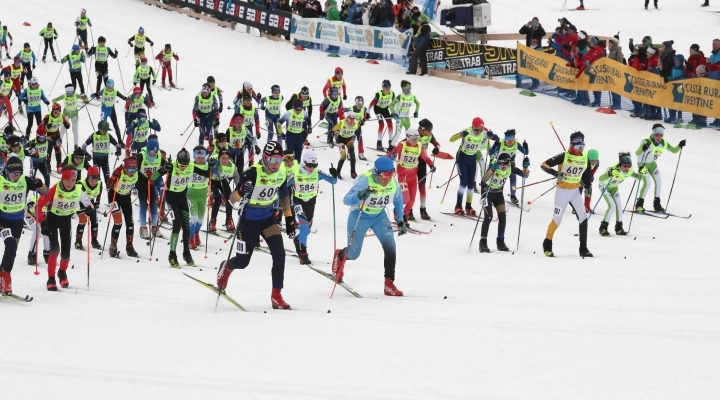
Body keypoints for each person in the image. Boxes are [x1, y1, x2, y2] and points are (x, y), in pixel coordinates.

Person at [216, 141, 297, 309]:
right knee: (242, 262)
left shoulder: (281, 174)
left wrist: (289, 218)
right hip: (248, 221)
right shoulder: (252, 173)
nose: (276, 164)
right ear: (265, 158)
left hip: (267, 219)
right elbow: (231, 200)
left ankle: (276, 294)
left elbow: (284, 197)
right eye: (273, 160)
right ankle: (227, 267)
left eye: (279, 160)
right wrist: (240, 192)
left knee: (279, 254)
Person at [331, 156, 406, 296]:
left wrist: (401, 220)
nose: (387, 179)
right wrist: (359, 196)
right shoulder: (365, 180)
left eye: (391, 175)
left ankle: (389, 284)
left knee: (391, 247)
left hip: (379, 216)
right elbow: (346, 200)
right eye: (384, 176)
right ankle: (340, 255)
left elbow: (398, 200)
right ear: (376, 173)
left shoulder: (392, 183)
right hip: (360, 215)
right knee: (353, 254)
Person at [36, 165, 95, 291]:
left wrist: (90, 208)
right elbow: (38, 206)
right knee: (55, 250)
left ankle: (62, 273)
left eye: (73, 180)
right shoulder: (55, 188)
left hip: (66, 220)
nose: (70, 183)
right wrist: (42, 222)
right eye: (67, 179)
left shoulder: (78, 189)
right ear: (62, 178)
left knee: (66, 254)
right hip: (52, 219)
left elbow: (88, 202)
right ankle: (51, 278)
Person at [155, 148, 212, 267]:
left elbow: (206, 174)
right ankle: (172, 255)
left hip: (182, 198)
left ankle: (187, 254)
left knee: (186, 227)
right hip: (171, 198)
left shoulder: (190, 166)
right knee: (177, 224)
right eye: (181, 165)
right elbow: (153, 177)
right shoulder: (172, 166)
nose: (183, 168)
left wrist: (210, 167)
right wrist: (164, 168)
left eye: (185, 166)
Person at [540, 131, 593, 258]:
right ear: (571, 146)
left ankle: (583, 248)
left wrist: (587, 187)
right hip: (562, 192)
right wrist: (555, 174)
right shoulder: (563, 156)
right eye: (578, 147)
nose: (580, 150)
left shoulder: (585, 157)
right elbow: (544, 164)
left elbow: (587, 176)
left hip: (575, 192)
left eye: (582, 147)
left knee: (583, 217)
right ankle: (547, 244)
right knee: (557, 220)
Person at [0, 157, 47, 294]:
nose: (15, 176)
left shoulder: (25, 180)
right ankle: (6, 278)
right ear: (6, 171)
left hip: (18, 220)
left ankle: (3, 275)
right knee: (11, 245)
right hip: (3, 220)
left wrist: (40, 185)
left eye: (18, 173)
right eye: (12, 173)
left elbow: (45, 192)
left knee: (12, 251)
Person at [288, 150, 337, 264]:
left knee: (308, 227)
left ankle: (298, 240)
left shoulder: (317, 172)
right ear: (304, 163)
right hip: (298, 202)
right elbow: (284, 185)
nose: (311, 168)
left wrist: (335, 173)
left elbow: (333, 181)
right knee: (304, 225)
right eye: (309, 165)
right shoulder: (296, 173)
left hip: (311, 202)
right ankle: (303, 253)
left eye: (314, 165)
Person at [478, 153, 529, 252]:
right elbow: (484, 179)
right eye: (501, 164)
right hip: (487, 193)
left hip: (498, 194)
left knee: (502, 216)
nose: (504, 166)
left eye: (506, 164)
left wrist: (525, 167)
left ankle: (500, 241)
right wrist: (492, 170)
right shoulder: (494, 166)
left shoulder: (510, 168)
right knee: (489, 216)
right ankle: (483, 242)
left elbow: (525, 175)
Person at [633, 124, 685, 213]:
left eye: (661, 135)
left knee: (659, 182)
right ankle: (639, 204)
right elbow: (637, 153)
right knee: (647, 183)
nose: (659, 137)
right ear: (653, 134)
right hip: (642, 164)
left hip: (652, 164)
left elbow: (673, 150)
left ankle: (657, 204)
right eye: (657, 135)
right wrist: (642, 148)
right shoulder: (646, 142)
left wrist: (680, 145)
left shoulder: (663, 142)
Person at [598, 152, 645, 236]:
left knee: (619, 207)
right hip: (604, 187)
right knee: (612, 206)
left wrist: (643, 173)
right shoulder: (612, 169)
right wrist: (610, 174)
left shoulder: (629, 171)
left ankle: (619, 228)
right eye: (625, 166)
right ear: (620, 165)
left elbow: (638, 177)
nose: (627, 168)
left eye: (629, 166)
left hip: (614, 188)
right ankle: (603, 227)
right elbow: (600, 179)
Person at [449, 118, 487, 215]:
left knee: (471, 184)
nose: (478, 132)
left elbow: (495, 139)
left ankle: (468, 206)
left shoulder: (483, 133)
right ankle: (458, 206)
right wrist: (460, 135)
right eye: (476, 130)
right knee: (463, 182)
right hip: (462, 157)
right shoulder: (467, 130)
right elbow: (451, 139)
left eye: (480, 130)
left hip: (472, 158)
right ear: (472, 127)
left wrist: (492, 136)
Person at [105, 156, 140, 258]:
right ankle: (113, 245)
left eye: (134, 170)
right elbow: (108, 185)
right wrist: (114, 176)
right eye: (129, 169)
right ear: (125, 168)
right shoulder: (119, 172)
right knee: (118, 221)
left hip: (126, 197)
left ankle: (129, 246)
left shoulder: (136, 173)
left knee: (130, 223)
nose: (132, 172)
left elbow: (146, 179)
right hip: (114, 196)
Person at [489, 129, 529, 205]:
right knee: (499, 179)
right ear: (505, 140)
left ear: (514, 139)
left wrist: (526, 147)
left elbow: (526, 152)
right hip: (498, 165)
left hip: (509, 164)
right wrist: (494, 145)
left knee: (513, 177)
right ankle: (493, 195)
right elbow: (490, 153)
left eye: (511, 141)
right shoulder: (500, 144)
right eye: (508, 141)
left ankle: (513, 196)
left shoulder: (516, 144)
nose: (510, 143)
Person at [136, 137, 165, 240]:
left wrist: (158, 173)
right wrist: (142, 177)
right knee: (143, 204)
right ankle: (143, 228)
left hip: (151, 182)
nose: (153, 154)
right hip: (141, 183)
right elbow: (135, 169)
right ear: (148, 149)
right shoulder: (141, 155)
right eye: (151, 151)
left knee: (153, 204)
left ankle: (154, 226)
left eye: (155, 152)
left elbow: (165, 167)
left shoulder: (159, 157)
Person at [207, 148, 240, 236]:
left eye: (227, 158)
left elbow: (236, 177)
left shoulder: (231, 165)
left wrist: (239, 188)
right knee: (217, 199)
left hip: (222, 181)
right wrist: (209, 167)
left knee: (230, 197)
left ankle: (229, 219)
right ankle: (212, 221)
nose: (225, 160)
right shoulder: (212, 160)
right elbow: (203, 169)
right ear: (218, 157)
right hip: (213, 182)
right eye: (222, 158)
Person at [80, 120, 123, 185]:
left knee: (108, 180)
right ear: (99, 129)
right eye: (104, 130)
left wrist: (119, 150)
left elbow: (117, 145)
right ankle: (97, 193)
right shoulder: (93, 136)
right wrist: (86, 154)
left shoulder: (108, 136)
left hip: (105, 161)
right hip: (96, 160)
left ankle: (109, 193)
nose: (105, 132)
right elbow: (83, 146)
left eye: (107, 130)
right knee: (96, 179)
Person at [52, 84, 90, 149]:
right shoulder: (64, 96)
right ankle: (59, 143)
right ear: (66, 92)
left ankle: (76, 145)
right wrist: (57, 108)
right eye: (68, 92)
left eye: (71, 92)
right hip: (66, 114)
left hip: (74, 114)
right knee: (63, 130)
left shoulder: (76, 95)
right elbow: (54, 100)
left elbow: (87, 100)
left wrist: (85, 96)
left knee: (75, 130)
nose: (70, 94)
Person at [187, 146, 211, 250]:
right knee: (194, 218)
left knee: (200, 220)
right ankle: (190, 238)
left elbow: (215, 175)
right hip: (191, 195)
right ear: (194, 157)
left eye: (202, 158)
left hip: (203, 195)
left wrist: (213, 167)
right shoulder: (190, 165)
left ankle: (196, 233)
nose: (201, 160)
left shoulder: (207, 165)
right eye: (198, 158)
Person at [74, 166, 103, 250]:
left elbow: (99, 192)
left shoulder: (99, 183)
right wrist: (85, 207)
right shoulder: (80, 184)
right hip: (79, 203)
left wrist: (97, 201)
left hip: (90, 202)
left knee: (95, 220)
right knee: (83, 220)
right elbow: (77, 197)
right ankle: (78, 241)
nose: (94, 182)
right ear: (87, 178)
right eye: (91, 180)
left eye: (96, 180)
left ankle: (94, 240)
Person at [38, 102, 71, 173]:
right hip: (48, 134)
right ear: (52, 111)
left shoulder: (61, 116)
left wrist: (67, 125)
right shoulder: (48, 116)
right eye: (55, 112)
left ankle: (59, 166)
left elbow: (66, 123)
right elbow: (40, 126)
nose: (57, 114)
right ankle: (47, 164)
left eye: (59, 112)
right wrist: (46, 126)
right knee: (49, 150)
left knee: (58, 149)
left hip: (56, 134)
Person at [388, 80, 420, 151]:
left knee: (410, 134)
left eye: (409, 88)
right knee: (398, 134)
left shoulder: (412, 96)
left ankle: (408, 147)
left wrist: (416, 112)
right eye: (406, 88)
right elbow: (390, 105)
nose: (408, 90)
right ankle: (391, 148)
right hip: (399, 118)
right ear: (403, 89)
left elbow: (418, 103)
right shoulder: (400, 97)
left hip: (407, 117)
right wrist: (393, 113)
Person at [330, 110, 362, 178]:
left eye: (353, 119)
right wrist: (331, 141)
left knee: (352, 156)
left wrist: (363, 121)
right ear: (347, 118)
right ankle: (338, 171)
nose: (352, 121)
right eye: (350, 119)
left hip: (349, 139)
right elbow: (332, 131)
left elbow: (361, 124)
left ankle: (353, 172)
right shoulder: (342, 123)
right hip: (341, 140)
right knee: (343, 156)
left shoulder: (356, 123)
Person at [25, 192, 51, 266]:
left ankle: (47, 253)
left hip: (42, 220)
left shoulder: (51, 203)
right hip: (31, 217)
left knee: (47, 230)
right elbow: (32, 209)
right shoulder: (34, 200)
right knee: (37, 231)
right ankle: (32, 254)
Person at [348, 95, 371, 160]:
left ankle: (361, 153)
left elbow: (364, 117)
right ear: (356, 103)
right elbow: (345, 117)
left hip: (358, 127)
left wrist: (364, 120)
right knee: (351, 140)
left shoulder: (364, 109)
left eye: (361, 104)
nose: (360, 106)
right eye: (358, 104)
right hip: (351, 127)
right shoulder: (351, 109)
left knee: (360, 139)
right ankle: (349, 153)